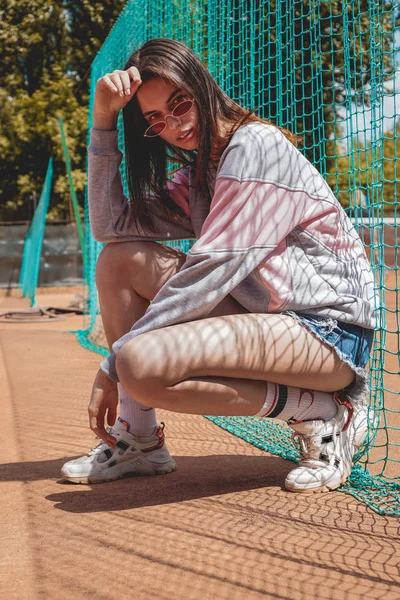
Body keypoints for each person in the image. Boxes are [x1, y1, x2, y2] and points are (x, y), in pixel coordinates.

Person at [61, 38, 376, 492]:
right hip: (270, 323)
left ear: (200, 86)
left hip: (327, 334)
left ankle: (323, 412)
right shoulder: (202, 175)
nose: (172, 124)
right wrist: (103, 120)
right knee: (120, 261)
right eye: (155, 120)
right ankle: (140, 440)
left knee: (139, 363)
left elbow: (212, 268)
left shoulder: (255, 147)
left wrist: (113, 362)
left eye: (179, 103)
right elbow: (112, 226)